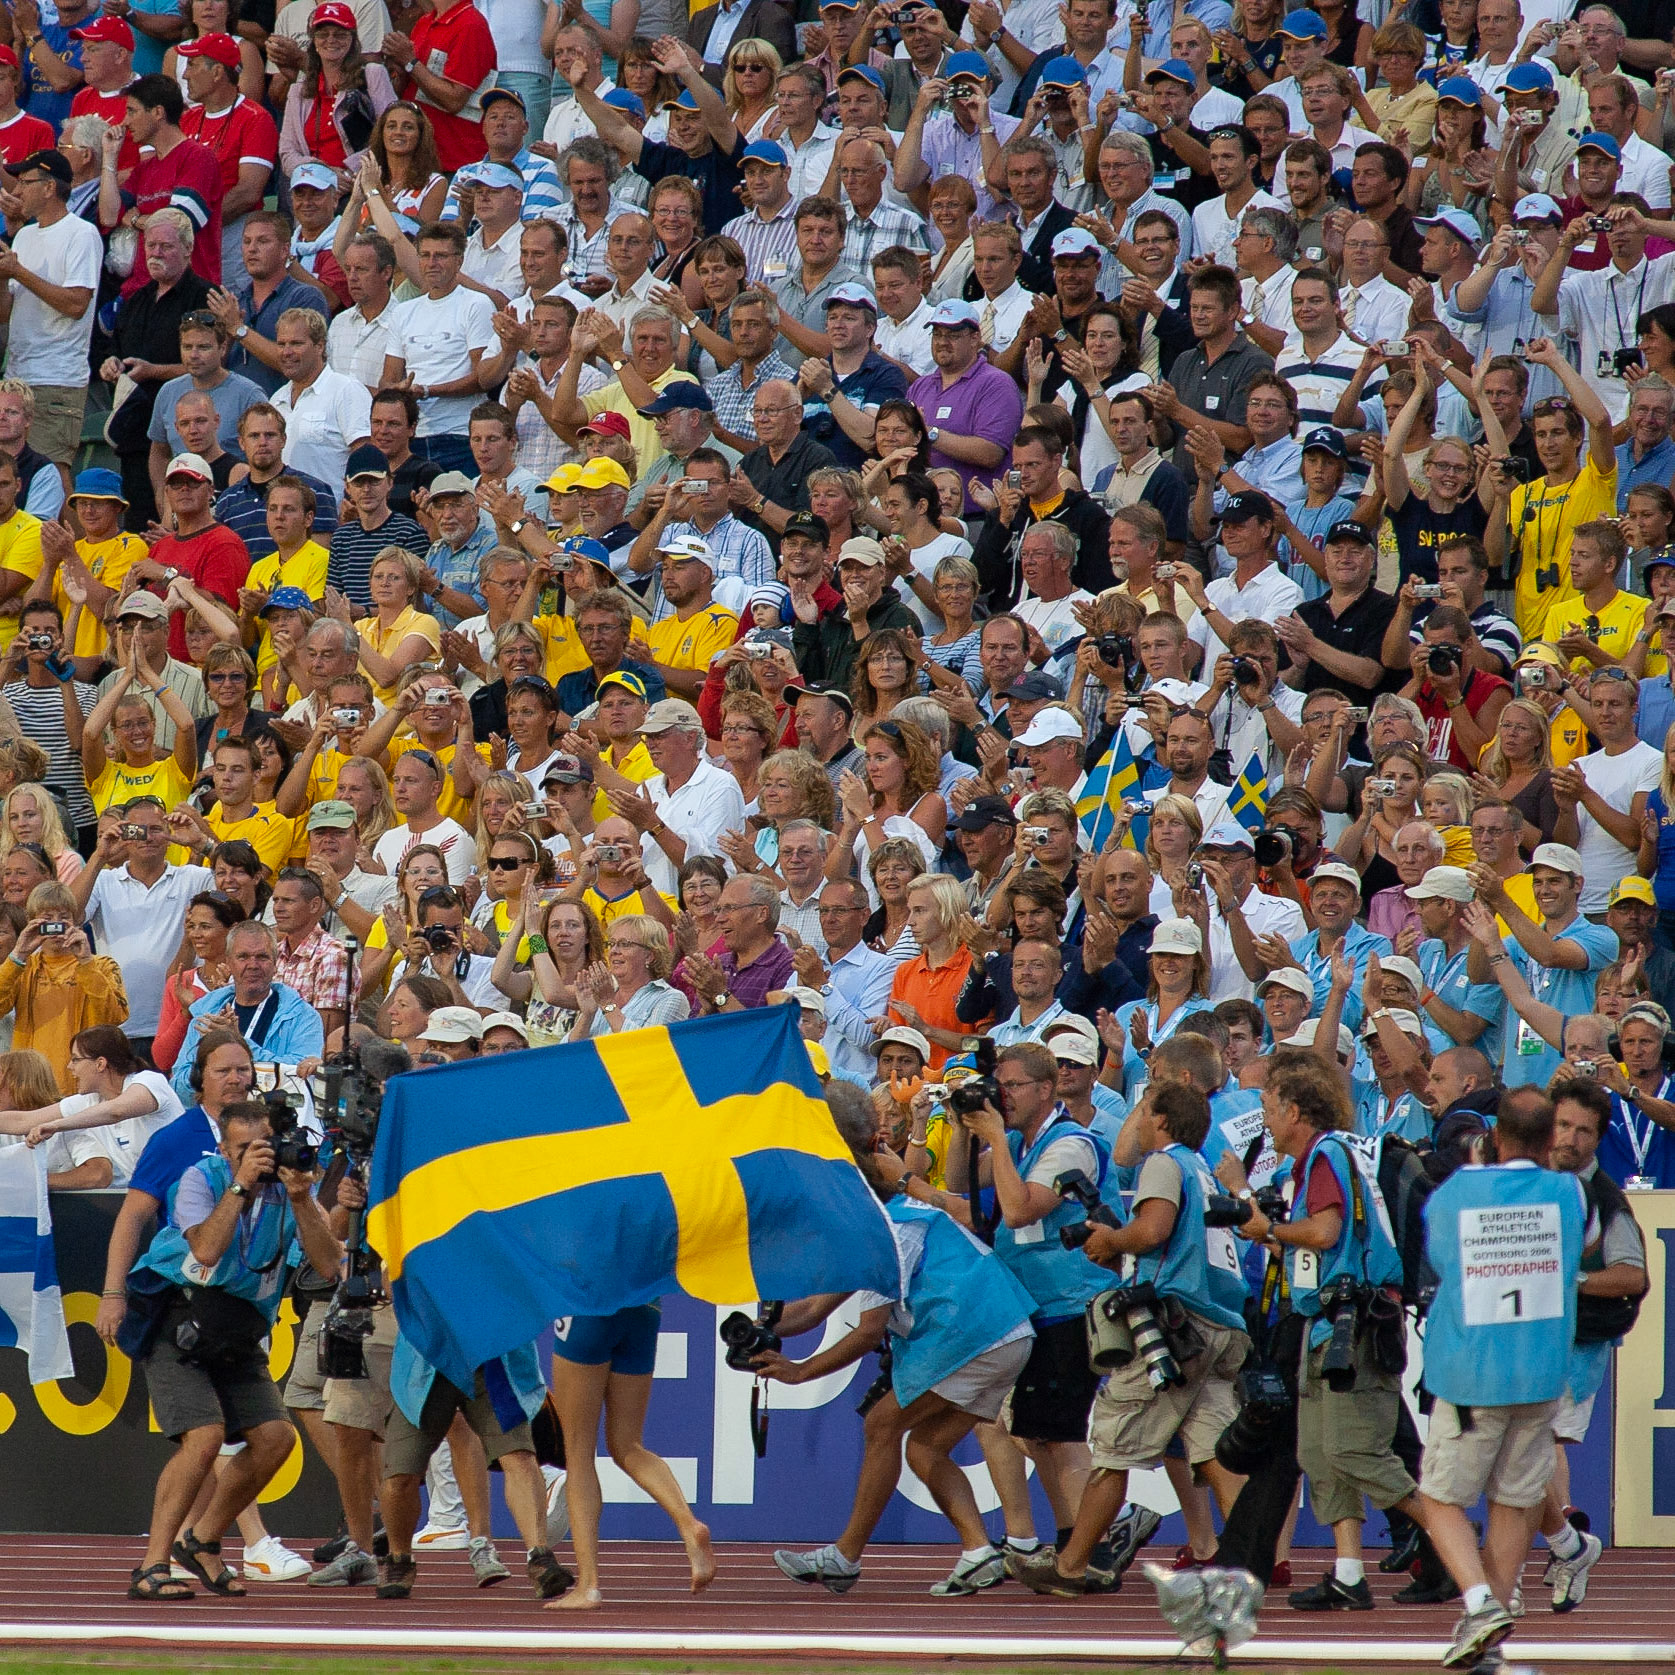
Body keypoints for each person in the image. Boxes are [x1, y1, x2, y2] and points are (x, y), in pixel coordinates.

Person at [763, 1080, 1038, 1598]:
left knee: (883, 1424)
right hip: (1005, 1327)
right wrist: (771, 1329)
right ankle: (979, 1551)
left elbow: (869, 1330)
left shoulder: (877, 1223)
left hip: (974, 1329)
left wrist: (799, 1371)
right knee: (926, 1448)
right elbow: (826, 1303)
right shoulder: (887, 1212)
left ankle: (844, 1556)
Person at [1011, 1079, 1248, 1595]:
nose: (1136, 1121)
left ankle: (1071, 1567)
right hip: (1221, 1321)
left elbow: (1153, 1230)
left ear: (1160, 1120)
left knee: (1114, 1447)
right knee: (1213, 1451)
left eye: (1143, 1111)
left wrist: (1113, 1240)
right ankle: (1250, 1558)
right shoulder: (1202, 1168)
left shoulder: (1163, 1162)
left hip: (1172, 1324)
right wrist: (1122, 1242)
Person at [120, 1099, 342, 1600]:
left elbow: (330, 1265)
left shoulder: (290, 1189)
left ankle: (202, 1539)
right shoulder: (202, 1178)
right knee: (203, 1437)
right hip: (179, 1313)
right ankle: (153, 1564)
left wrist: (304, 1200)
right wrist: (241, 1183)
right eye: (244, 1150)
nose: (257, 1158)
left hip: (236, 1327)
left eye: (263, 1147)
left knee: (276, 1439)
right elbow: (205, 1249)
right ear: (223, 1149)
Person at [1414, 1084, 1588, 1667]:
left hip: (1471, 1374)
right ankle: (1487, 1624)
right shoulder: (1569, 1192)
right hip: (1540, 1375)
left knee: (1438, 1500)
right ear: (1549, 1140)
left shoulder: (1456, 1192)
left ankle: (1481, 1600)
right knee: (1515, 1502)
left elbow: (1440, 1259)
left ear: (1493, 1136)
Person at [942, 1041, 1116, 1559]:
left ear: (1046, 1088)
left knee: (1059, 1434)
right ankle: (1072, 1540)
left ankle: (1098, 1540)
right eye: (1001, 1086)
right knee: (1039, 1432)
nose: (1004, 1096)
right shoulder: (1018, 1143)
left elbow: (1018, 1211)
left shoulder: (1070, 1144)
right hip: (1031, 1306)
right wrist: (962, 1129)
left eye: (1013, 1086)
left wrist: (994, 1132)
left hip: (1070, 1304)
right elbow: (958, 1183)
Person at [71, 802, 214, 1053]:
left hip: (179, 1021)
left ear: (170, 836)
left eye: (157, 829)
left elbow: (247, 879)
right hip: (116, 1027)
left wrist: (202, 843)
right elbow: (68, 915)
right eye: (138, 831)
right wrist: (99, 856)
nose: (147, 837)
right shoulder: (104, 880)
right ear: (124, 837)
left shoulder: (194, 878)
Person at [170, 920, 327, 1097]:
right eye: (243, 957)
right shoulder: (207, 1013)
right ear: (228, 962)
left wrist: (238, 1043)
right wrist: (209, 1055)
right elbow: (178, 1087)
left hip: (274, 1120)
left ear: (275, 962)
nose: (253, 965)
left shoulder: (303, 1016)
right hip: (217, 1120)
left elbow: (301, 1076)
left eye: (262, 957)